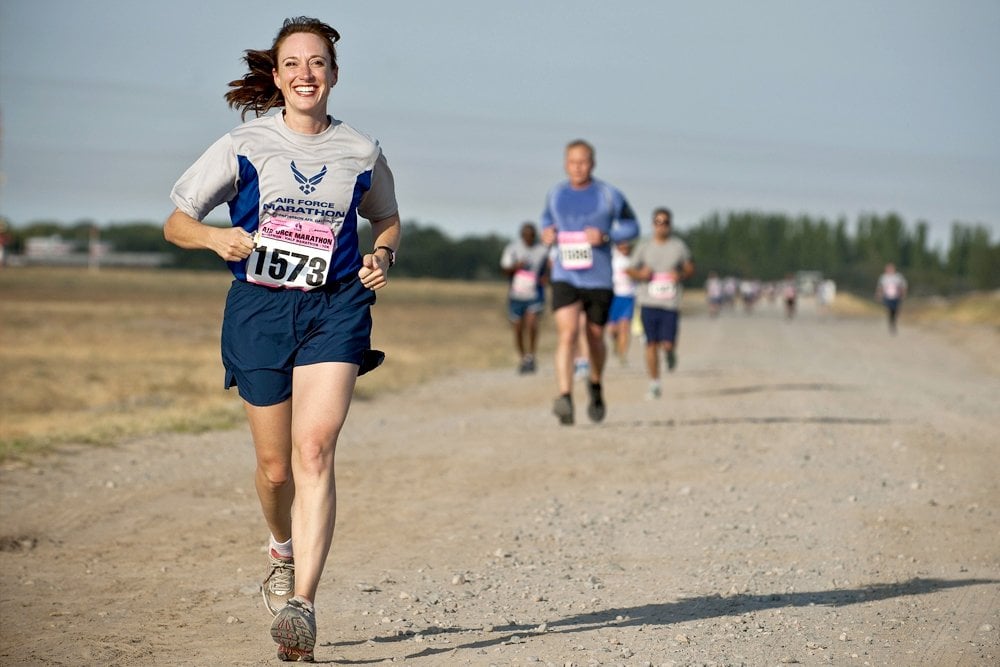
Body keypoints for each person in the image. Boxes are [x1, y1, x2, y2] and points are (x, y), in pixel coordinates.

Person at [163, 17, 401, 662]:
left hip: (336, 306)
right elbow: (176, 222)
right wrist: (216, 238)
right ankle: (281, 547)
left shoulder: (361, 149)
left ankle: (303, 604)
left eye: (318, 63)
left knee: (315, 449)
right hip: (260, 309)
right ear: (276, 74)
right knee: (275, 471)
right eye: (293, 63)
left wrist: (383, 253)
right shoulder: (243, 143)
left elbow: (386, 216)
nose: (306, 74)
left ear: (334, 73)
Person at [540, 139, 639, 425]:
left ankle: (595, 385)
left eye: (583, 162)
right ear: (565, 164)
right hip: (565, 275)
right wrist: (547, 234)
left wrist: (607, 236)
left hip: (598, 278)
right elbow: (546, 222)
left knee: (594, 337)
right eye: (572, 162)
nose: (578, 167)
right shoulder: (556, 194)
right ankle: (565, 397)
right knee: (568, 334)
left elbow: (632, 226)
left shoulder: (609, 195)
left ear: (592, 164)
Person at [627, 208, 694, 399]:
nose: (661, 226)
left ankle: (670, 352)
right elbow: (629, 269)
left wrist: (680, 274)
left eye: (665, 222)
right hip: (648, 301)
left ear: (670, 225)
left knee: (667, 343)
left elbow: (690, 267)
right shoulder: (644, 246)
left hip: (670, 303)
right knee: (650, 344)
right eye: (658, 222)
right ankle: (654, 383)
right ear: (652, 224)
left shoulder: (678, 246)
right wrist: (641, 274)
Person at [499, 222, 549, 373]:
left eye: (532, 235)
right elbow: (504, 269)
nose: (529, 238)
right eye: (526, 236)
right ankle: (523, 358)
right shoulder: (512, 249)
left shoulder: (542, 250)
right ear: (521, 236)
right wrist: (516, 266)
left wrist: (546, 277)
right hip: (516, 295)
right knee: (518, 328)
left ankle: (531, 356)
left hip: (535, 294)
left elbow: (550, 267)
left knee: (532, 324)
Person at [607, 240, 637, 365]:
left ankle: (623, 354)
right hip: (613, 296)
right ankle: (616, 342)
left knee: (624, 327)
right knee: (612, 329)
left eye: (627, 244)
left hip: (628, 297)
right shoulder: (612, 256)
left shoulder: (634, 259)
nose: (625, 246)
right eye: (622, 244)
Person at [875, 262, 908, 334]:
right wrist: (879, 294)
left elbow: (903, 286)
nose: (889, 270)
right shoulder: (883, 277)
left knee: (895, 310)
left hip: (896, 296)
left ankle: (893, 321)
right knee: (889, 309)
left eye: (891, 268)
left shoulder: (898, 277)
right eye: (888, 268)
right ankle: (891, 322)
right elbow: (880, 287)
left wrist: (903, 294)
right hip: (887, 296)